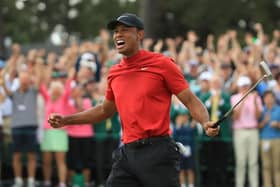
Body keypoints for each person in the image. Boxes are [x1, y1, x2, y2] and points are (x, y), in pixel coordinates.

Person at [48, 13, 220, 187]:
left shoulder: (162, 64)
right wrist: (66, 120)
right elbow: (104, 110)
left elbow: (190, 100)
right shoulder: (114, 73)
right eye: (116, 31)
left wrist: (205, 122)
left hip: (157, 151)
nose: (118, 35)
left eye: (125, 30)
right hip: (127, 153)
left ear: (140, 35)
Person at [231, 76, 263, 187]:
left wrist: (254, 101)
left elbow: (258, 116)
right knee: (241, 162)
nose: (245, 88)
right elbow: (236, 116)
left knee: (253, 162)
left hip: (253, 131)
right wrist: (243, 100)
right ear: (239, 87)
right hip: (240, 131)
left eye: (247, 86)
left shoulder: (256, 98)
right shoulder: (235, 98)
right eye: (243, 86)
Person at [258, 90, 280, 187]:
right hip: (264, 140)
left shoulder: (279, 109)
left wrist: (277, 124)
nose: (268, 99)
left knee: (277, 166)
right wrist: (265, 121)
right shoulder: (262, 110)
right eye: (266, 98)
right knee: (266, 166)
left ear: (274, 98)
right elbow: (258, 126)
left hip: (276, 140)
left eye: (270, 97)